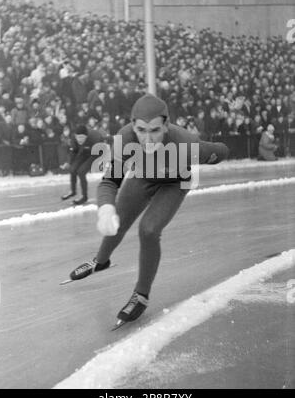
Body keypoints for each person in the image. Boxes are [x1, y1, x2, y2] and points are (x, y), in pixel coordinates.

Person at [68, 95, 229, 325]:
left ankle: (141, 295)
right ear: (133, 125)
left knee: (149, 230)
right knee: (118, 219)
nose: (148, 138)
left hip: (175, 182)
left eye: (155, 130)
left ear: (166, 125)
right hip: (143, 176)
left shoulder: (185, 143)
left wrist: (223, 151)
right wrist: (105, 207)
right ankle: (100, 261)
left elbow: (214, 151)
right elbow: (109, 182)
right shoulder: (124, 138)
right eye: (141, 130)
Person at [61, 124, 103, 205]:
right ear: (75, 136)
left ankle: (84, 197)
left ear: (86, 136)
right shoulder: (73, 138)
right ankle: (73, 191)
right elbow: (74, 151)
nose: (80, 140)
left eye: (82, 138)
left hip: (95, 153)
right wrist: (69, 162)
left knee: (81, 172)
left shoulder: (95, 137)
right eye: (78, 137)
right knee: (73, 169)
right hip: (84, 152)